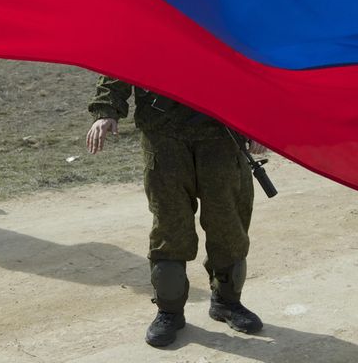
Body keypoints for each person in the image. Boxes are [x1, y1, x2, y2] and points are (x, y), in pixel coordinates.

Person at [87, 79, 265, 347]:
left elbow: (250, 63)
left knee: (228, 222)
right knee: (170, 227)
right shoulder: (147, 34)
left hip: (222, 134)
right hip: (163, 135)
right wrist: (106, 112)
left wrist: (259, 121)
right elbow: (120, 60)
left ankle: (227, 302)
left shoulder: (231, 32)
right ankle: (169, 312)